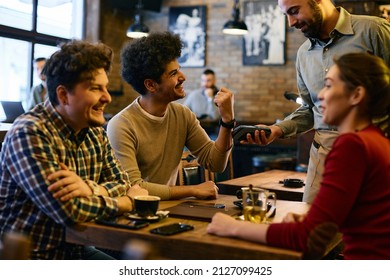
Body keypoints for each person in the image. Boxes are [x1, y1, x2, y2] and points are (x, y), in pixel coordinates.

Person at [208, 52, 390, 260]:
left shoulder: (352, 146)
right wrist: (310, 219)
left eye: (329, 85)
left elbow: (308, 237)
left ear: (356, 95)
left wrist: (231, 226)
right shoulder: (377, 140)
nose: (320, 95)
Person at [0, 40, 147, 260]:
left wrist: (90, 189)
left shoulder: (95, 131)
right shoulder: (29, 132)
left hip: (77, 248)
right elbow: (69, 211)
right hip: (34, 256)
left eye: (105, 87)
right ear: (63, 95)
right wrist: (125, 202)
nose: (107, 97)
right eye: (96, 88)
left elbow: (123, 182)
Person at [243, 0, 390, 203]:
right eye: (286, 15)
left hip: (374, 156)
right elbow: (310, 109)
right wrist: (277, 130)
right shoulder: (304, 54)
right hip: (324, 158)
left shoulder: (374, 31)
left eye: (294, 11)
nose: (291, 23)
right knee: (314, 230)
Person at [107, 32, 235, 201]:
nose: (183, 77)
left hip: (170, 210)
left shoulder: (182, 115)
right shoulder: (121, 125)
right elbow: (134, 186)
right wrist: (193, 190)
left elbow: (215, 163)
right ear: (151, 85)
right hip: (135, 215)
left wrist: (227, 121)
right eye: (174, 73)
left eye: (179, 70)